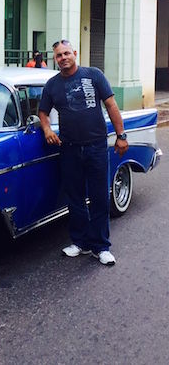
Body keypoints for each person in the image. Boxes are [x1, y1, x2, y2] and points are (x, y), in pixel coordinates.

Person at [38, 39, 128, 266]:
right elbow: (43, 111)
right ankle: (81, 243)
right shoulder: (52, 85)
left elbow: (111, 106)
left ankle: (101, 246)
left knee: (99, 197)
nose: (63, 58)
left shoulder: (93, 75)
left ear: (74, 53)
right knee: (75, 198)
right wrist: (47, 128)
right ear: (55, 59)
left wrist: (121, 135)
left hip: (96, 146)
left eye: (66, 53)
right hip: (68, 148)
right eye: (59, 55)